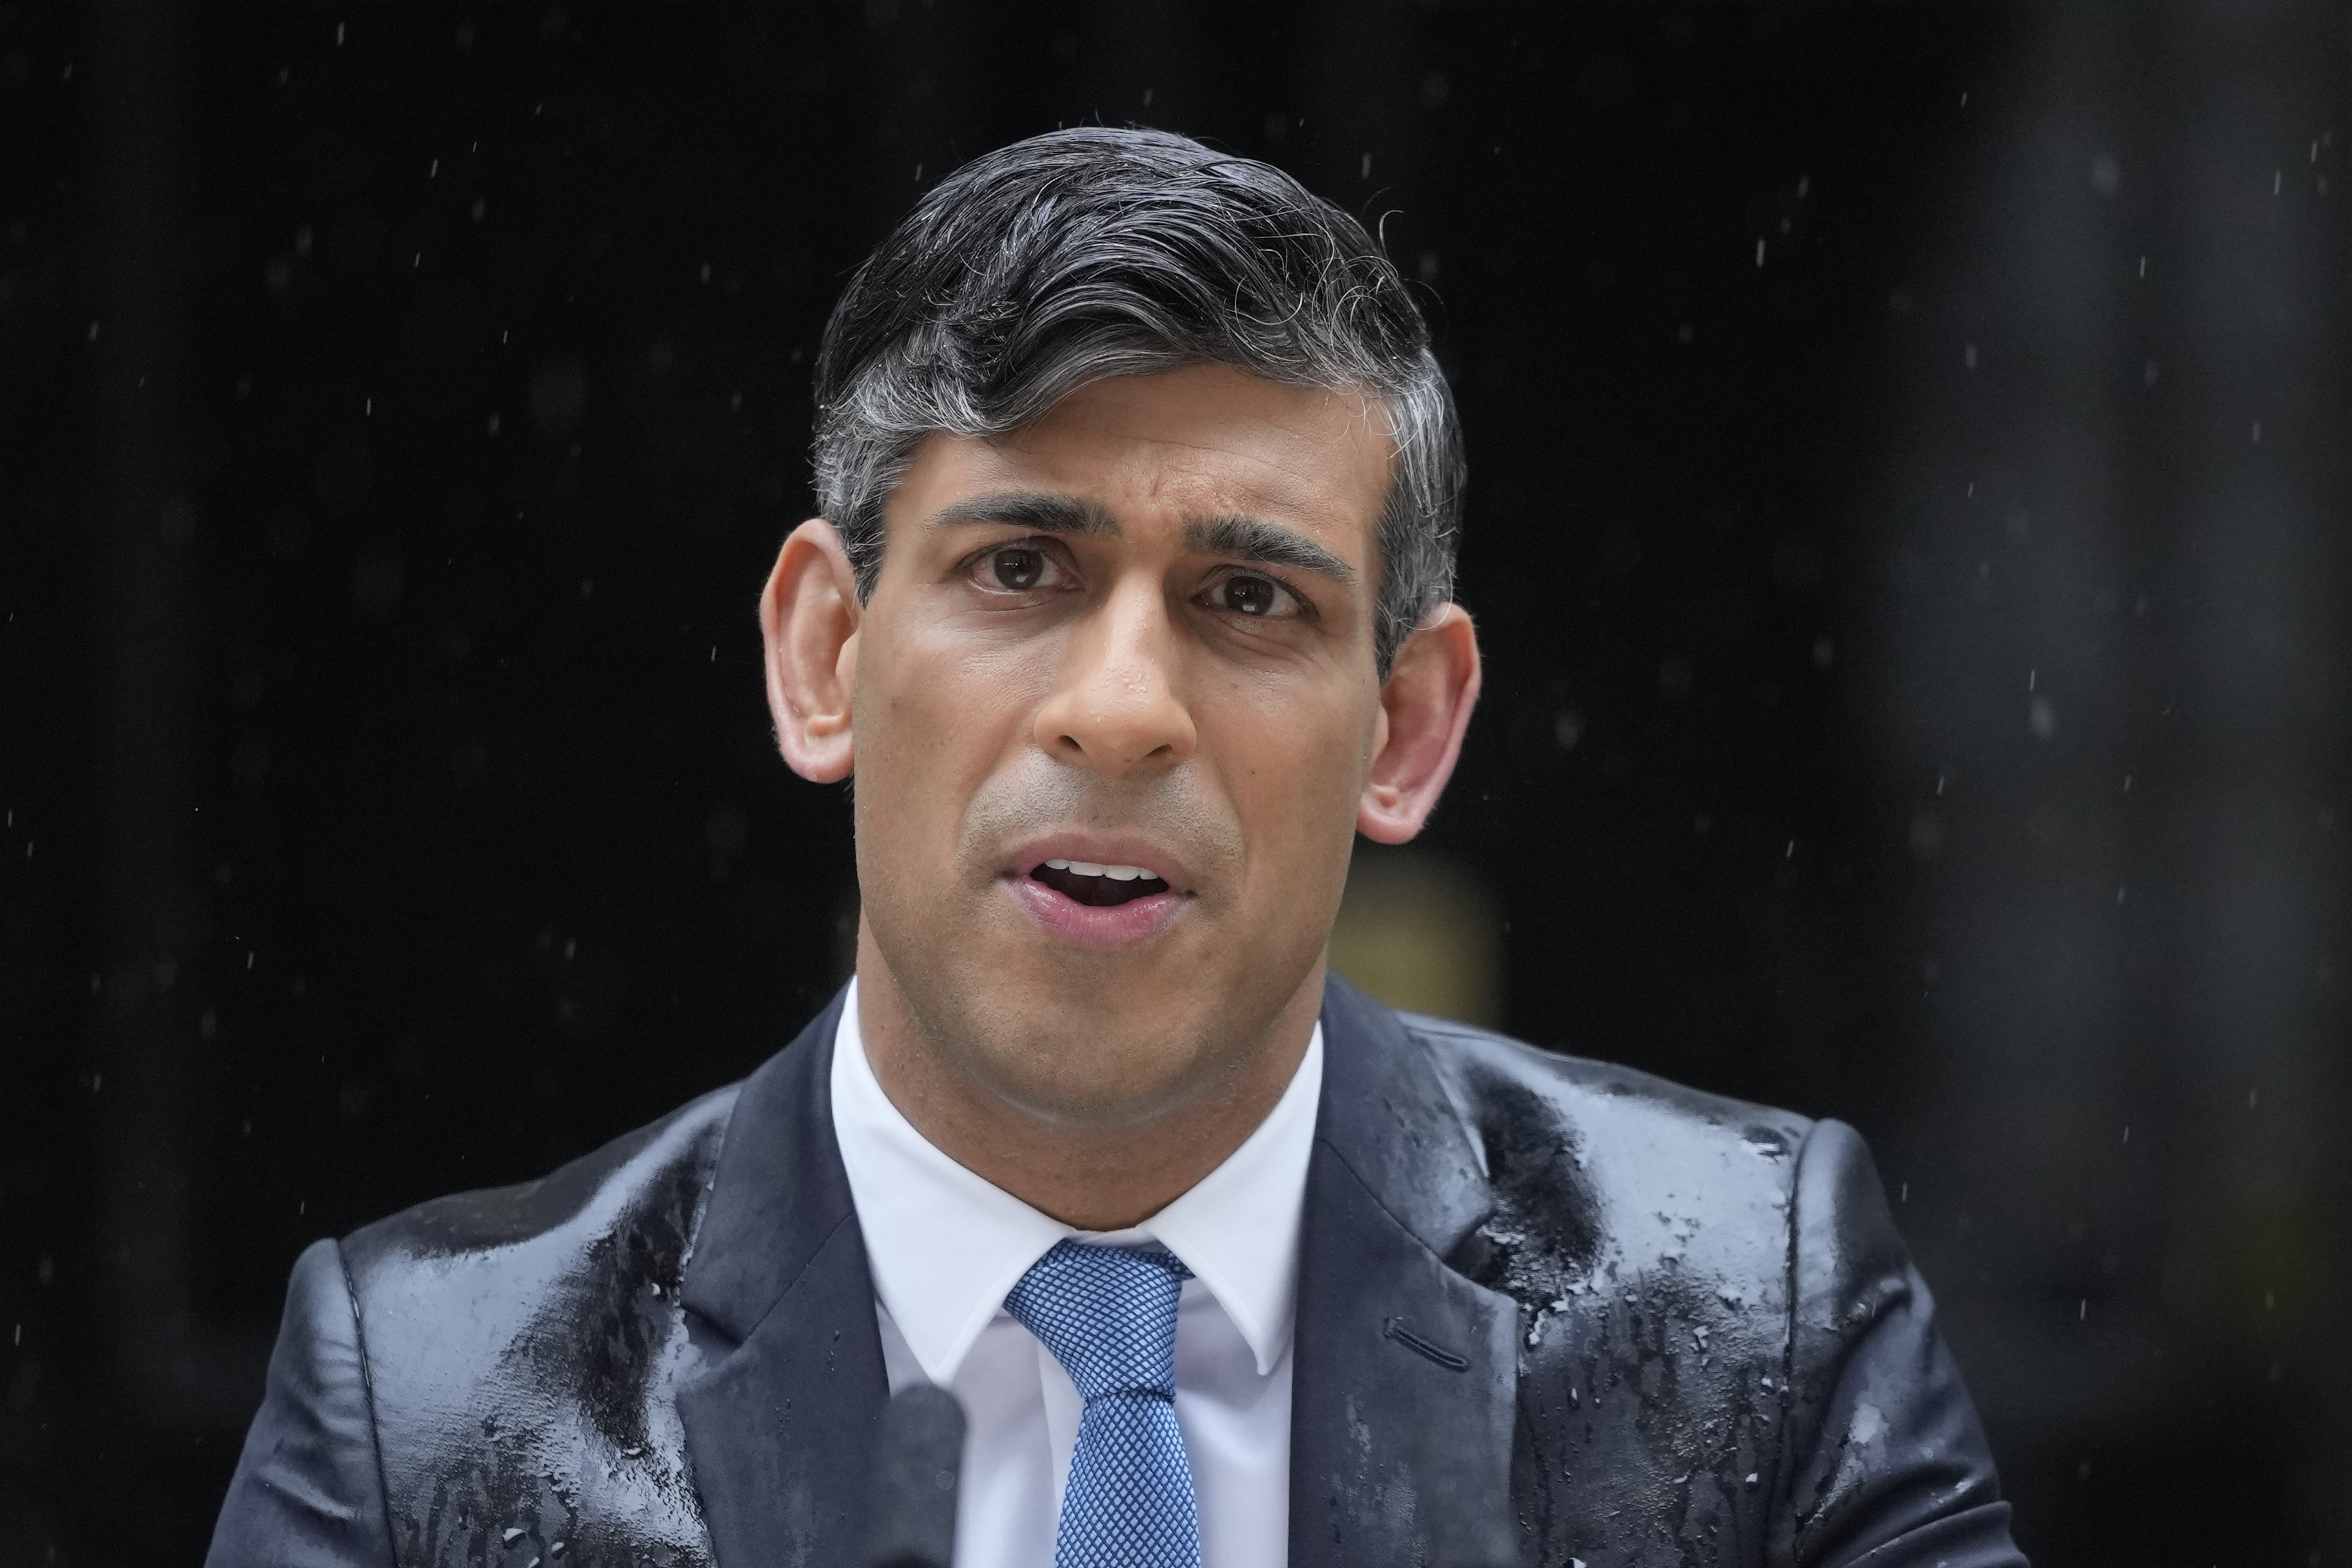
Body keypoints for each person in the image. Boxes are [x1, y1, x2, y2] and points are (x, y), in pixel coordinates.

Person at [206, 128, 2025, 1568]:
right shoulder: (433, 1409)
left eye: (1246, 596)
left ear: (1407, 728)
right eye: (1021, 571)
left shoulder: (1746, 1317)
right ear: (825, 654)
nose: (1123, 706)